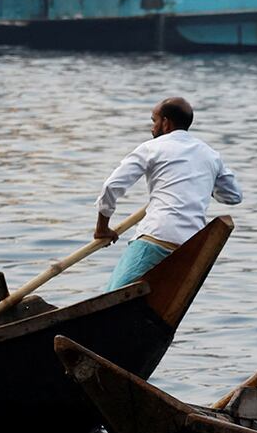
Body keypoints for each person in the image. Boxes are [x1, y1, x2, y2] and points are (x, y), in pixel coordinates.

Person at [95, 97, 242, 291]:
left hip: (156, 238)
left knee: (110, 301)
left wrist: (102, 228)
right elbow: (234, 196)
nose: (152, 127)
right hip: (190, 247)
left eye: (154, 121)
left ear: (166, 122)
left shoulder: (152, 147)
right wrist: (204, 184)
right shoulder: (210, 154)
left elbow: (111, 186)